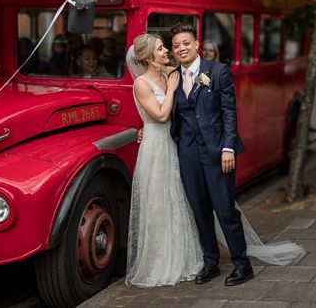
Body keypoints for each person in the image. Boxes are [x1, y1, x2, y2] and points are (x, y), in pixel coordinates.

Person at [168, 22, 303, 285]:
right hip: (187, 153)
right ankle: (211, 262)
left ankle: (242, 264)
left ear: (196, 45)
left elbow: (230, 112)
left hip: (218, 151)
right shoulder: (173, 76)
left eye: (185, 43)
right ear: (173, 52)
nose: (181, 49)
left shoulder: (217, 72)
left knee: (225, 208)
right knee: (199, 209)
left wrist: (228, 147)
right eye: (176, 46)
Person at [125, 33, 202, 286]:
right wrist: (170, 90)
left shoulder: (171, 71)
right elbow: (159, 116)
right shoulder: (141, 84)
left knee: (177, 198)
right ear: (147, 56)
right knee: (159, 201)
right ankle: (159, 262)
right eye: (160, 48)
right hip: (155, 147)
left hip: (174, 142)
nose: (166, 50)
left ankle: (182, 255)